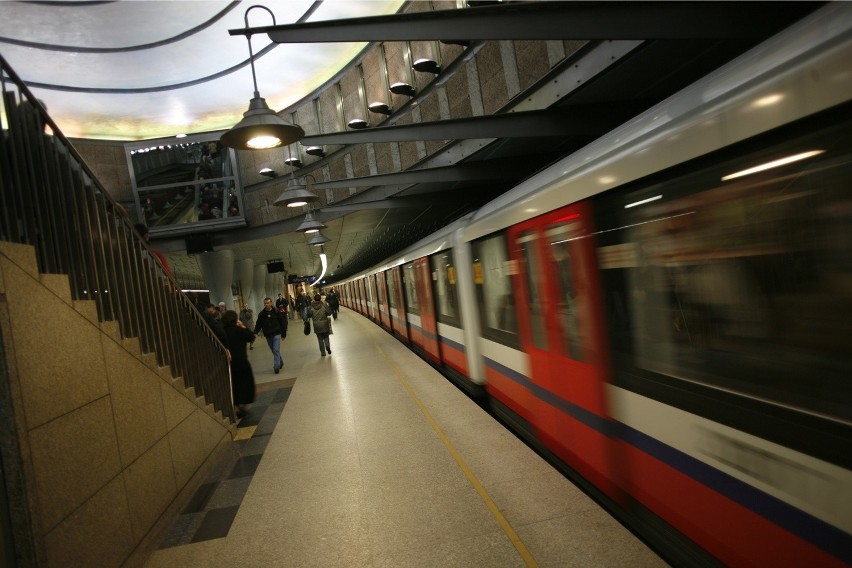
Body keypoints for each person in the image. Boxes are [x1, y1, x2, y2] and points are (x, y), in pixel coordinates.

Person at [221, 310, 255, 419]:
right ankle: (243, 405)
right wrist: (243, 326)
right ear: (235, 320)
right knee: (245, 384)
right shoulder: (238, 330)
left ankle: (236, 407)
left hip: (228, 364)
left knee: (234, 386)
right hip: (241, 363)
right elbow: (251, 336)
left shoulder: (222, 331)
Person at [253, 296, 287, 373]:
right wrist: (255, 332)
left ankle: (276, 366)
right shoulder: (261, 314)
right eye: (265, 303)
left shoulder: (276, 312)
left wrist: (283, 334)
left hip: (276, 333)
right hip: (268, 335)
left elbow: (282, 323)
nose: (266, 304)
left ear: (271, 303)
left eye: (268, 303)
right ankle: (280, 362)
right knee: (274, 350)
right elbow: (258, 324)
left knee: (275, 349)